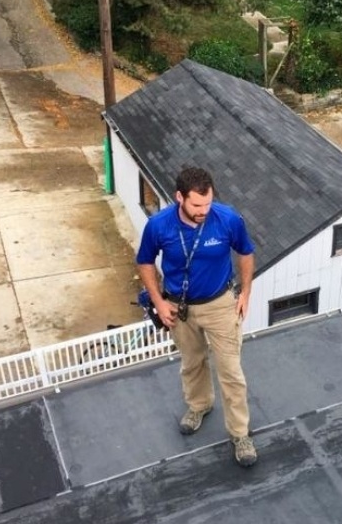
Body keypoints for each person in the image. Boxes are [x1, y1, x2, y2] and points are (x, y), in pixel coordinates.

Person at [136, 167, 257, 467]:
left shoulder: (227, 218)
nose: (204, 211)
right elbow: (145, 262)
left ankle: (240, 434)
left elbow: (246, 252)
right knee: (192, 363)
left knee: (231, 372)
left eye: (208, 203)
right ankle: (199, 406)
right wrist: (159, 303)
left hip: (219, 305)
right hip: (179, 307)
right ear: (180, 197)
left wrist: (245, 293)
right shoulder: (158, 226)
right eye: (196, 205)